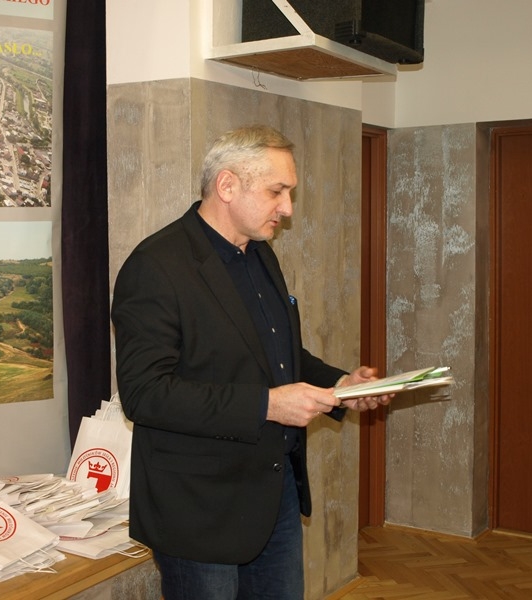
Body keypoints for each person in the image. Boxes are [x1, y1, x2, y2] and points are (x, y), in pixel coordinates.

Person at [111, 125, 392, 600]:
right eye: (276, 191)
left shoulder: (261, 255)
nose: (288, 208)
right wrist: (268, 405)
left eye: (289, 193)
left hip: (274, 492)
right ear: (227, 186)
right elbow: (145, 394)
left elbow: (280, 356)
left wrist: (342, 385)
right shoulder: (156, 266)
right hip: (200, 509)